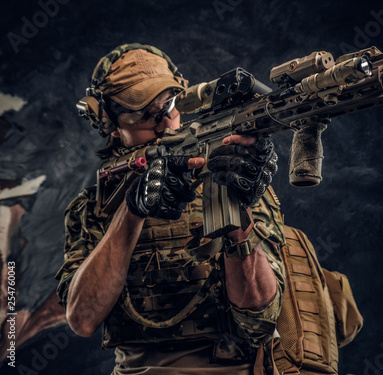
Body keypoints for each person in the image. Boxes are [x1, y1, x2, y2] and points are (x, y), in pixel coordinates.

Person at [55, 44, 285, 375]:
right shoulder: (93, 208)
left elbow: (262, 319)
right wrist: (132, 212)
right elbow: (83, 319)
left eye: (170, 106)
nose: (164, 124)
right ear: (107, 121)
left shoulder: (229, 177)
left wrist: (235, 210)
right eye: (142, 114)